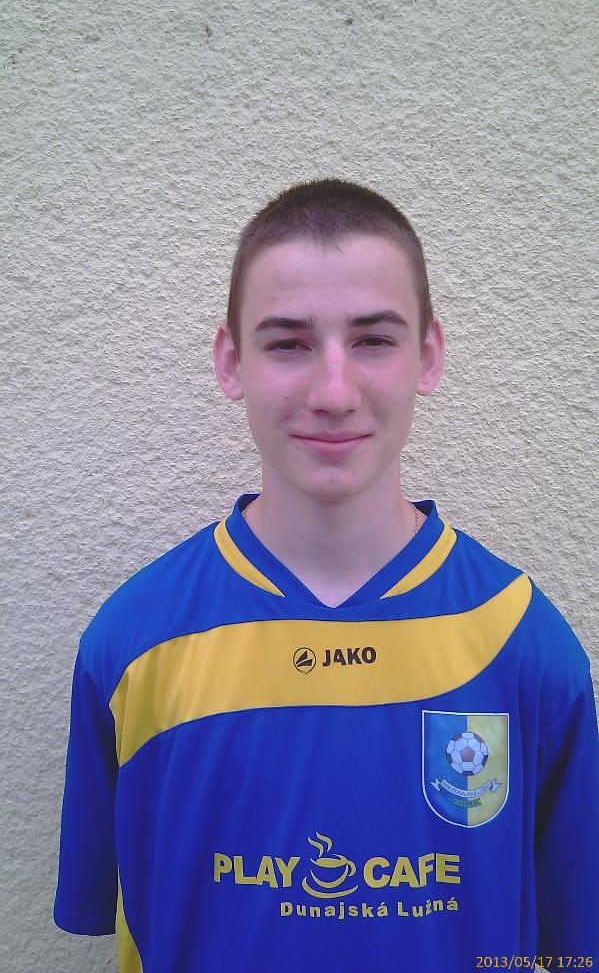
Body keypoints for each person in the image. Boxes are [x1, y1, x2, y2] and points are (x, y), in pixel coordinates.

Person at [54, 178, 599, 972]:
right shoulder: (134, 642)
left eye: (373, 340)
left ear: (427, 356)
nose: (334, 393)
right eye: (288, 344)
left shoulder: (521, 642)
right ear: (231, 362)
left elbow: (569, 946)